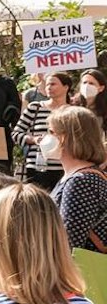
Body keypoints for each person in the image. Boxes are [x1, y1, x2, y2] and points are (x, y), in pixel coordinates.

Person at [45, 105, 107, 251]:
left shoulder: (81, 181)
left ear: (66, 137)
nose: (45, 138)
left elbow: (69, 243)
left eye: (51, 132)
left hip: (84, 271)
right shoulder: (77, 176)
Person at [17, 70, 73, 189]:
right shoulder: (35, 107)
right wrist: (33, 139)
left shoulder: (73, 111)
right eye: (47, 84)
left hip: (64, 167)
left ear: (66, 87)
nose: (49, 87)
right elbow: (16, 133)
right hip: (37, 167)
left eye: (53, 84)